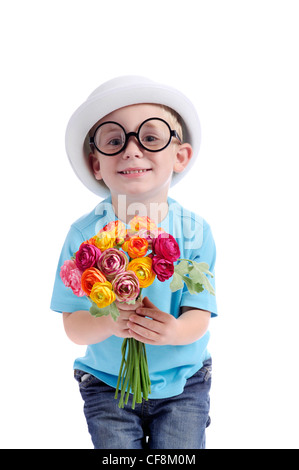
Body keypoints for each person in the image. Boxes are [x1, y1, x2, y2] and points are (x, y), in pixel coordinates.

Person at [50, 76, 217, 449]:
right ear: (96, 164)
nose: (132, 150)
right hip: (109, 386)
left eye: (150, 138)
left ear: (180, 156)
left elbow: (199, 315)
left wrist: (173, 332)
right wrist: (112, 319)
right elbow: (74, 327)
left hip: (183, 383)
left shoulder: (193, 231)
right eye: (114, 141)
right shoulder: (85, 236)